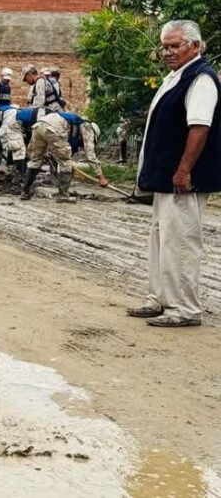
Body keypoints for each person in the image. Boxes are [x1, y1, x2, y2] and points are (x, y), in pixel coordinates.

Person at [126, 20, 220, 328]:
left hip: (183, 180)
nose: (167, 52)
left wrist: (184, 170)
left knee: (180, 241)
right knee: (161, 239)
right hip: (165, 178)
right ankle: (161, 299)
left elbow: (200, 127)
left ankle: (185, 307)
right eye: (165, 46)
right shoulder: (175, 76)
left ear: (195, 45)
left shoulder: (200, 79)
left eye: (174, 45)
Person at [20, 111, 108, 202]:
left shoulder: (73, 124)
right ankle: (63, 196)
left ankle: (25, 192)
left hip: (39, 125)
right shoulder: (88, 127)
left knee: (35, 160)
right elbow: (90, 154)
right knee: (66, 163)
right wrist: (100, 176)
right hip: (53, 128)